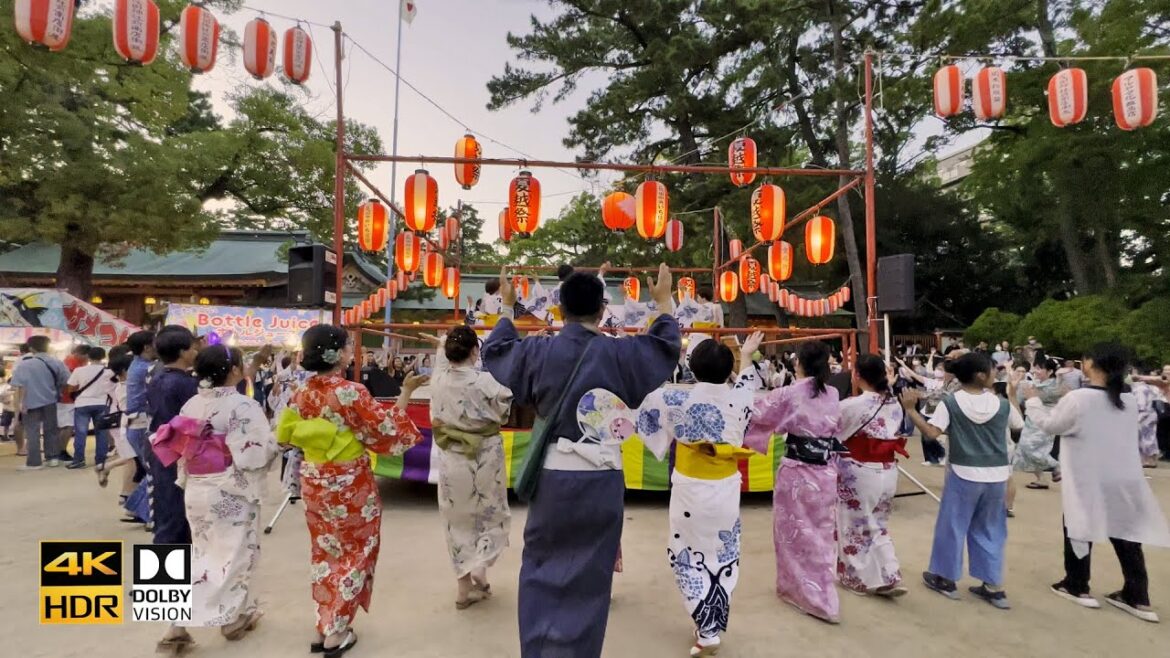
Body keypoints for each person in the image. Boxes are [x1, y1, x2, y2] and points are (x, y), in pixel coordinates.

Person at [481, 264, 681, 658]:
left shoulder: (538, 350)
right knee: (591, 580)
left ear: (560, 309)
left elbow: (497, 351)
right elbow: (664, 346)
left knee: (540, 569)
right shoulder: (621, 353)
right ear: (603, 310)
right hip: (602, 480)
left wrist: (506, 306)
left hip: (553, 477)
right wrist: (663, 302)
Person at [275, 325, 427, 657]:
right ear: (340, 354)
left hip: (314, 478)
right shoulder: (350, 392)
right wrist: (405, 392)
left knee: (325, 550)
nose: (350, 351)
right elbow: (384, 431)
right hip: (349, 481)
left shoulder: (299, 392)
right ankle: (337, 631)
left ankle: (324, 622)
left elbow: (286, 435)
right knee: (356, 551)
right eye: (348, 347)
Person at [632, 332, 763, 656]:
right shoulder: (740, 397)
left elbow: (643, 404)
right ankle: (710, 623)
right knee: (723, 554)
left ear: (692, 366)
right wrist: (747, 354)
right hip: (727, 488)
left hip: (691, 488)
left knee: (685, 554)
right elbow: (748, 379)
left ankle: (707, 629)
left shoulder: (675, 398)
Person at [150, 345, 279, 653]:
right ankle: (230, 619)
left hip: (197, 486)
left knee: (202, 552)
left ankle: (176, 625)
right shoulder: (242, 406)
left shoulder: (192, 404)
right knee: (233, 555)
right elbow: (253, 455)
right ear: (234, 370)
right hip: (230, 487)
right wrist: (276, 443)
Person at [1027, 344, 1170, 621]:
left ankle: (1077, 585)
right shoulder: (1126, 399)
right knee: (1127, 534)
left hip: (1088, 475)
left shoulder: (1080, 397)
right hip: (1123, 476)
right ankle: (1138, 596)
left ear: (1090, 363)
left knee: (1079, 524)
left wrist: (1033, 401)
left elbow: (1051, 425)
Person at [901, 352, 1024, 610]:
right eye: (992, 370)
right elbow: (1018, 424)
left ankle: (945, 578)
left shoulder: (951, 403)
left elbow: (932, 433)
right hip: (997, 474)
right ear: (981, 375)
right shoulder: (1001, 404)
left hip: (963, 472)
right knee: (991, 529)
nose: (995, 374)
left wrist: (911, 411)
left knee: (953, 526)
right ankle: (993, 586)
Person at [744, 341, 844, 623]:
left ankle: (805, 594)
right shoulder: (833, 392)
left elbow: (755, 411)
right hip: (825, 472)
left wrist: (744, 359)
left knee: (792, 534)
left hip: (798, 473)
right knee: (821, 536)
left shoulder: (790, 393)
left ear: (797, 362)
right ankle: (821, 595)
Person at [426, 326, 514, 609]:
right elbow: (505, 407)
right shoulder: (486, 382)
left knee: (456, 519)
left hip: (452, 454)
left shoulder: (438, 380)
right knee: (493, 512)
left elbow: (443, 357)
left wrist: (442, 344)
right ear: (475, 352)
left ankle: (463, 589)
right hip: (486, 453)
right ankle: (481, 565)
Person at [836, 355, 909, 597]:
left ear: (856, 375)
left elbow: (835, 433)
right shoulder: (894, 404)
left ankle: (857, 578)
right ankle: (890, 572)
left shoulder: (851, 405)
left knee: (853, 526)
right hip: (888, 470)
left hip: (859, 470)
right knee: (878, 524)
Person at [146, 326, 200, 545]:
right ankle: (164, 576)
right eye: (193, 348)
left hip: (160, 447)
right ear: (182, 352)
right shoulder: (185, 384)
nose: (196, 353)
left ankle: (169, 574)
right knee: (176, 517)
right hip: (177, 450)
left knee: (166, 512)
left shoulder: (157, 378)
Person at [10, 335, 70, 470]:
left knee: (32, 432)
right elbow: (67, 381)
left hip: (29, 402)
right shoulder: (56, 362)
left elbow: (18, 386)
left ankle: (34, 462)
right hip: (51, 400)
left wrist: (19, 405)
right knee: (51, 430)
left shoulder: (24, 363)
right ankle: (52, 458)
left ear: (31, 347)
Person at [1012, 358, 1063, 489]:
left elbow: (1039, 397)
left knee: (1030, 448)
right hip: (1031, 421)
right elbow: (1021, 397)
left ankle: (1057, 466)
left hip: (1045, 422)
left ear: (1050, 371)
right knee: (1024, 449)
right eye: (1035, 368)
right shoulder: (1035, 383)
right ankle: (1042, 479)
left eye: (1040, 368)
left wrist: (1029, 391)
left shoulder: (1054, 386)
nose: (1036, 371)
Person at [65, 346, 115, 470]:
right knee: (101, 433)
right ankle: (100, 460)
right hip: (102, 404)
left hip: (82, 404)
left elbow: (70, 387)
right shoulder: (109, 372)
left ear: (88, 357)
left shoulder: (79, 370)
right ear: (103, 357)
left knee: (81, 433)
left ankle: (78, 460)